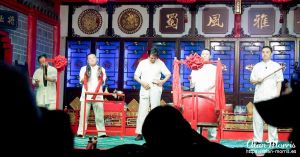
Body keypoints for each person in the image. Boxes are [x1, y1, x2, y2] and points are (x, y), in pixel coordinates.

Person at [142, 105, 256, 157]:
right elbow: (244, 153)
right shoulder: (200, 152)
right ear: (184, 129)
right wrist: (195, 136)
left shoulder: (135, 152)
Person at [134, 48, 171, 140]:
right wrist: (142, 83)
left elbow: (168, 74)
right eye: (151, 58)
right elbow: (136, 76)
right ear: (148, 54)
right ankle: (140, 133)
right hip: (145, 87)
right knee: (143, 110)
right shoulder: (142, 63)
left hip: (155, 88)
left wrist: (162, 81)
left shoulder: (160, 63)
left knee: (155, 110)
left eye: (154, 58)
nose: (153, 59)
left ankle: (155, 132)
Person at [250, 46, 284, 144]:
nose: (265, 54)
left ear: (271, 53)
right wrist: (257, 80)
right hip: (259, 97)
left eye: (267, 52)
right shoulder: (257, 66)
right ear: (261, 53)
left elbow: (279, 82)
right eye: (263, 52)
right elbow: (252, 80)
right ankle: (257, 139)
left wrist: (277, 96)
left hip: (271, 96)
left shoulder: (277, 66)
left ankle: (273, 140)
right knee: (257, 120)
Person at [77, 53, 108, 138]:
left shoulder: (101, 69)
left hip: (98, 95)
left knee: (99, 115)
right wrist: (84, 78)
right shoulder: (83, 69)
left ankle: (102, 133)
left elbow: (103, 81)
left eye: (93, 58)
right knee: (83, 115)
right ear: (87, 60)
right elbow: (81, 81)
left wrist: (101, 78)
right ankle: (81, 132)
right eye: (89, 58)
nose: (92, 60)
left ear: (96, 59)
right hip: (86, 95)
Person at [189, 49, 217, 140]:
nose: (204, 55)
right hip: (198, 96)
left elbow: (215, 82)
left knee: (211, 117)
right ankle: (197, 139)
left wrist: (205, 90)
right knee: (197, 117)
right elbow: (192, 84)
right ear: (200, 56)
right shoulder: (196, 67)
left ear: (210, 56)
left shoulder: (214, 68)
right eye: (203, 54)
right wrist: (191, 81)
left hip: (210, 96)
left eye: (207, 54)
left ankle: (212, 138)